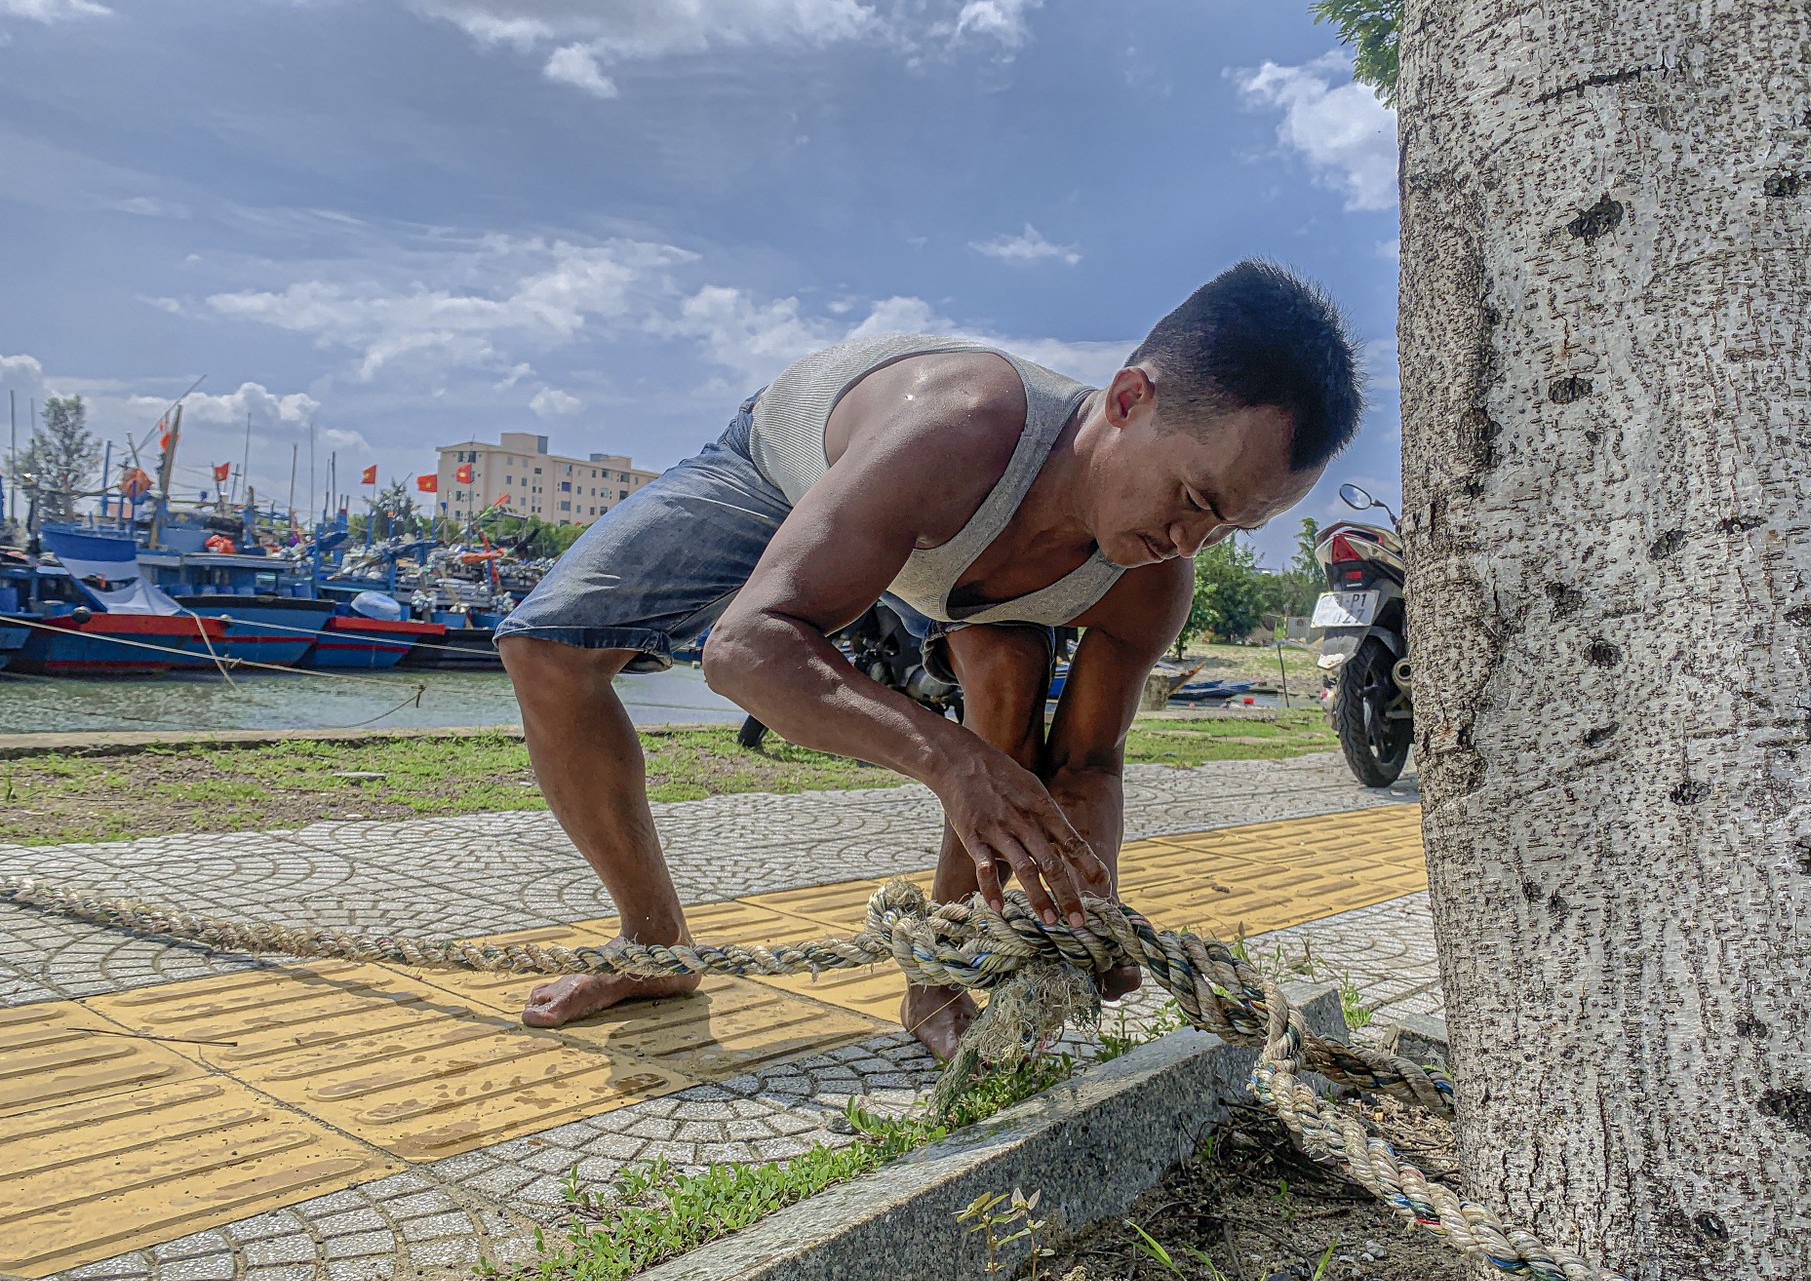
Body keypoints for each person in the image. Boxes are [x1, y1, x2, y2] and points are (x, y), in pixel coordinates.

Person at [493, 259, 1363, 1057]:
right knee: (545, 651)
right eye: (1193, 498)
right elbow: (744, 652)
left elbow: (1089, 765)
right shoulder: (955, 427)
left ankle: (938, 980)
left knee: (1008, 709)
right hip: (793, 472)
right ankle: (655, 945)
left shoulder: (1155, 575)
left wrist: (1085, 903)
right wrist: (948, 763)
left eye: (1230, 527)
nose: (1189, 540)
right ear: (1129, 398)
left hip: (979, 579)